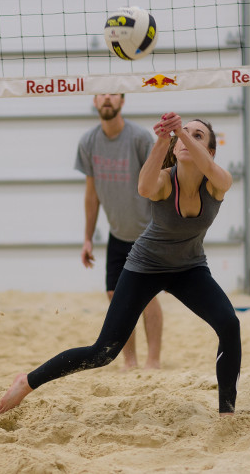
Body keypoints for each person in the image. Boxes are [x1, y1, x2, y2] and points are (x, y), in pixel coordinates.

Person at [0, 112, 241, 416]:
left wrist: (180, 132)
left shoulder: (218, 182)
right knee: (103, 352)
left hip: (189, 269)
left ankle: (227, 412)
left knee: (229, 324)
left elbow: (213, 171)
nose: (188, 138)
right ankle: (26, 382)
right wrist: (164, 138)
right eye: (186, 132)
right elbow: (143, 188)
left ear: (210, 151)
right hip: (145, 267)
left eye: (197, 135)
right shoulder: (166, 181)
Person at [75, 93, 163, 370]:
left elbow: (159, 183)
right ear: (94, 100)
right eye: (102, 94)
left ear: (123, 101)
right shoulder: (88, 142)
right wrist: (88, 238)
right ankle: (130, 362)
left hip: (147, 233)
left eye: (113, 93)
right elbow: (92, 194)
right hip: (117, 234)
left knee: (147, 297)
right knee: (117, 297)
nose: (107, 99)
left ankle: (153, 361)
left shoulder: (138, 138)